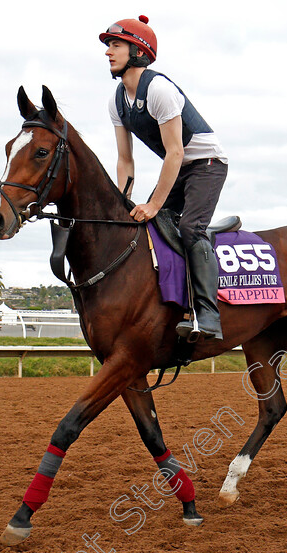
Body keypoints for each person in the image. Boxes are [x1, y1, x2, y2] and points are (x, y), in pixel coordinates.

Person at [100, 15, 227, 341]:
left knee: (188, 227)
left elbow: (175, 153)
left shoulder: (159, 90)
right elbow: (125, 160)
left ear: (138, 51)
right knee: (149, 225)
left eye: (115, 45)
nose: (108, 52)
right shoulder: (117, 101)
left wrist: (154, 203)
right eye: (108, 46)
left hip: (206, 163)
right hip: (180, 165)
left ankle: (208, 315)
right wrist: (123, 203)